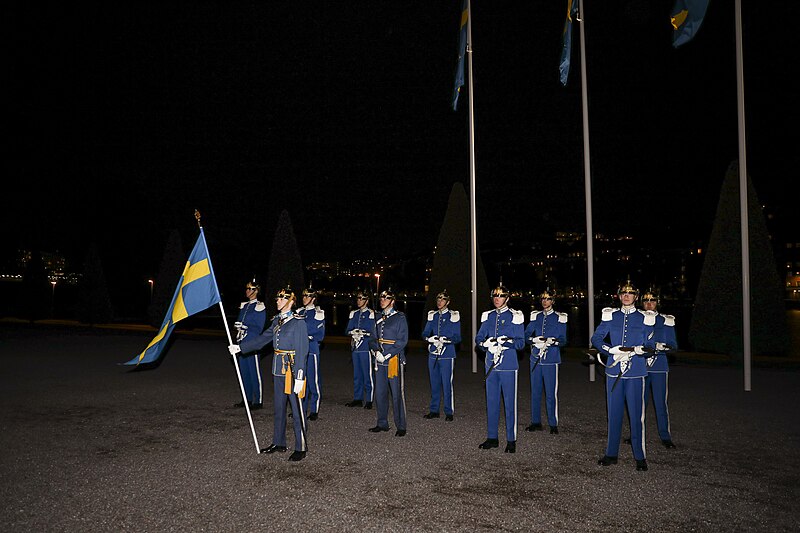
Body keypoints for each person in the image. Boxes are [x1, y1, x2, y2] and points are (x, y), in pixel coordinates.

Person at [229, 286, 309, 462]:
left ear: (290, 301)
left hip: (292, 370)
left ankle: (301, 446)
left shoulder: (298, 322)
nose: (277, 301)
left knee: (297, 410)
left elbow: (303, 350)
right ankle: (278, 442)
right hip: (278, 369)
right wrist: (240, 348)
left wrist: (300, 376)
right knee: (279, 408)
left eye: (281, 299)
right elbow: (262, 340)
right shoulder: (276, 322)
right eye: (277, 299)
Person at [591, 280, 656, 471]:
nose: (626, 296)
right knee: (614, 414)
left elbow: (651, 347)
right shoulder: (610, 316)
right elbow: (596, 339)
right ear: (619, 296)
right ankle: (611, 454)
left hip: (635, 373)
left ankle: (640, 456)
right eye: (623, 293)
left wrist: (637, 351)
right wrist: (610, 350)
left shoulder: (645, 318)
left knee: (637, 416)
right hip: (614, 370)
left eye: (630, 293)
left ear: (636, 297)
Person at [475, 284, 525, 453]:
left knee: (510, 403)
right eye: (495, 296)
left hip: (508, 365)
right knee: (492, 402)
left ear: (507, 298)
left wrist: (505, 343)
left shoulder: (515, 316)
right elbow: (479, 338)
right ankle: (492, 437)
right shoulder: (488, 316)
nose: (497, 299)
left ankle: (511, 440)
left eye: (501, 296)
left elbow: (520, 343)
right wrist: (484, 344)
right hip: (490, 364)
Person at [523, 288, 567, 434]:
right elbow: (526, 335)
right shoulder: (536, 317)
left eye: (548, 299)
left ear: (553, 301)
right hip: (535, 357)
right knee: (535, 392)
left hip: (551, 359)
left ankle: (553, 423)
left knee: (550, 393)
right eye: (543, 298)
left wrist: (551, 342)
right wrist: (533, 340)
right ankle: (536, 422)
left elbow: (563, 340)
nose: (544, 301)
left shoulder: (559, 318)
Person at [367, 288, 409, 437]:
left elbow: (402, 341)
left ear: (392, 301)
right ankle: (382, 423)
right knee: (380, 393)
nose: (382, 300)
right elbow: (372, 338)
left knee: (397, 394)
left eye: (386, 298)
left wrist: (387, 355)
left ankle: (401, 425)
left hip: (393, 361)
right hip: (379, 361)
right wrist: (376, 351)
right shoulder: (377, 317)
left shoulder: (399, 318)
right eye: (381, 298)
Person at [641, 290, 678, 449]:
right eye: (646, 301)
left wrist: (662, 347)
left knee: (660, 403)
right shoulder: (637, 319)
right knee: (639, 403)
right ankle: (637, 434)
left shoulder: (666, 321)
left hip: (659, 368)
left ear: (658, 303)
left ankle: (665, 436)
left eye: (653, 300)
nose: (649, 303)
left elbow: (674, 346)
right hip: (640, 366)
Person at [421, 290, 462, 421]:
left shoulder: (453, 315)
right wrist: (429, 338)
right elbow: (425, 332)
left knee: (446, 383)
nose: (440, 302)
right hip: (433, 352)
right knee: (434, 382)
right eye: (438, 300)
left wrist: (446, 340)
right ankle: (434, 410)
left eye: (443, 300)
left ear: (448, 302)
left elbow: (457, 337)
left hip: (447, 353)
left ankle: (449, 412)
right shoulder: (432, 315)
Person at [232, 279, 267, 410]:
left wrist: (246, 327)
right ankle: (247, 399)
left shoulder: (259, 306)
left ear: (256, 291)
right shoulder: (245, 306)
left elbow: (259, 327)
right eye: (246, 288)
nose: (247, 291)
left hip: (252, 342)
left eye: (250, 289)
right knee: (244, 371)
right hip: (242, 341)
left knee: (254, 371)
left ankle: (258, 400)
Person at [297, 285, 325, 420]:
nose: (304, 298)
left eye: (307, 296)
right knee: (301, 380)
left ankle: (314, 409)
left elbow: (319, 334)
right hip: (299, 351)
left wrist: (305, 335)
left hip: (312, 350)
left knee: (313, 381)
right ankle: (301, 407)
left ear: (313, 299)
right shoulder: (299, 312)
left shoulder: (318, 314)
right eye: (303, 295)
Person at [345, 289, 375, 409]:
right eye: (358, 298)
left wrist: (364, 333)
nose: (359, 301)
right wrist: (352, 332)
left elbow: (373, 331)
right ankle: (357, 398)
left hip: (365, 347)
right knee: (357, 374)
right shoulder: (354, 314)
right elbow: (347, 329)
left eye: (362, 298)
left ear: (366, 301)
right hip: (355, 348)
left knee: (367, 374)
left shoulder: (371, 314)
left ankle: (369, 399)